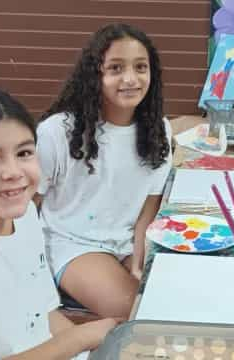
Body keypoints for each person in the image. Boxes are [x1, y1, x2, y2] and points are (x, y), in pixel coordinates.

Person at [0, 88, 117, 359]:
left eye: (24, 153)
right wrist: (81, 338)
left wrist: (87, 351)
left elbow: (44, 314)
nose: (13, 172)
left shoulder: (26, 214)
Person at [36, 23, 172, 319]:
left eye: (140, 67)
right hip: (71, 243)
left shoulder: (158, 132)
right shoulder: (57, 132)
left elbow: (145, 214)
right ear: (94, 74)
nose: (130, 79)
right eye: (115, 68)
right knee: (138, 315)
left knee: (171, 297)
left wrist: (138, 262)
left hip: (125, 242)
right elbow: (26, 207)